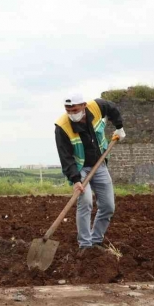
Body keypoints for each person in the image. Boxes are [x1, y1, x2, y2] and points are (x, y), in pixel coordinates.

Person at [54, 93, 126, 253]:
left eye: (75, 110)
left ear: (84, 106)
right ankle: (85, 245)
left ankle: (96, 241)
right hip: (80, 169)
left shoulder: (97, 106)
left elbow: (112, 109)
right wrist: (75, 179)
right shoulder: (62, 127)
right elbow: (65, 157)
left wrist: (119, 127)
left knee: (108, 206)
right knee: (85, 201)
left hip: (99, 164)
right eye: (68, 111)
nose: (72, 114)